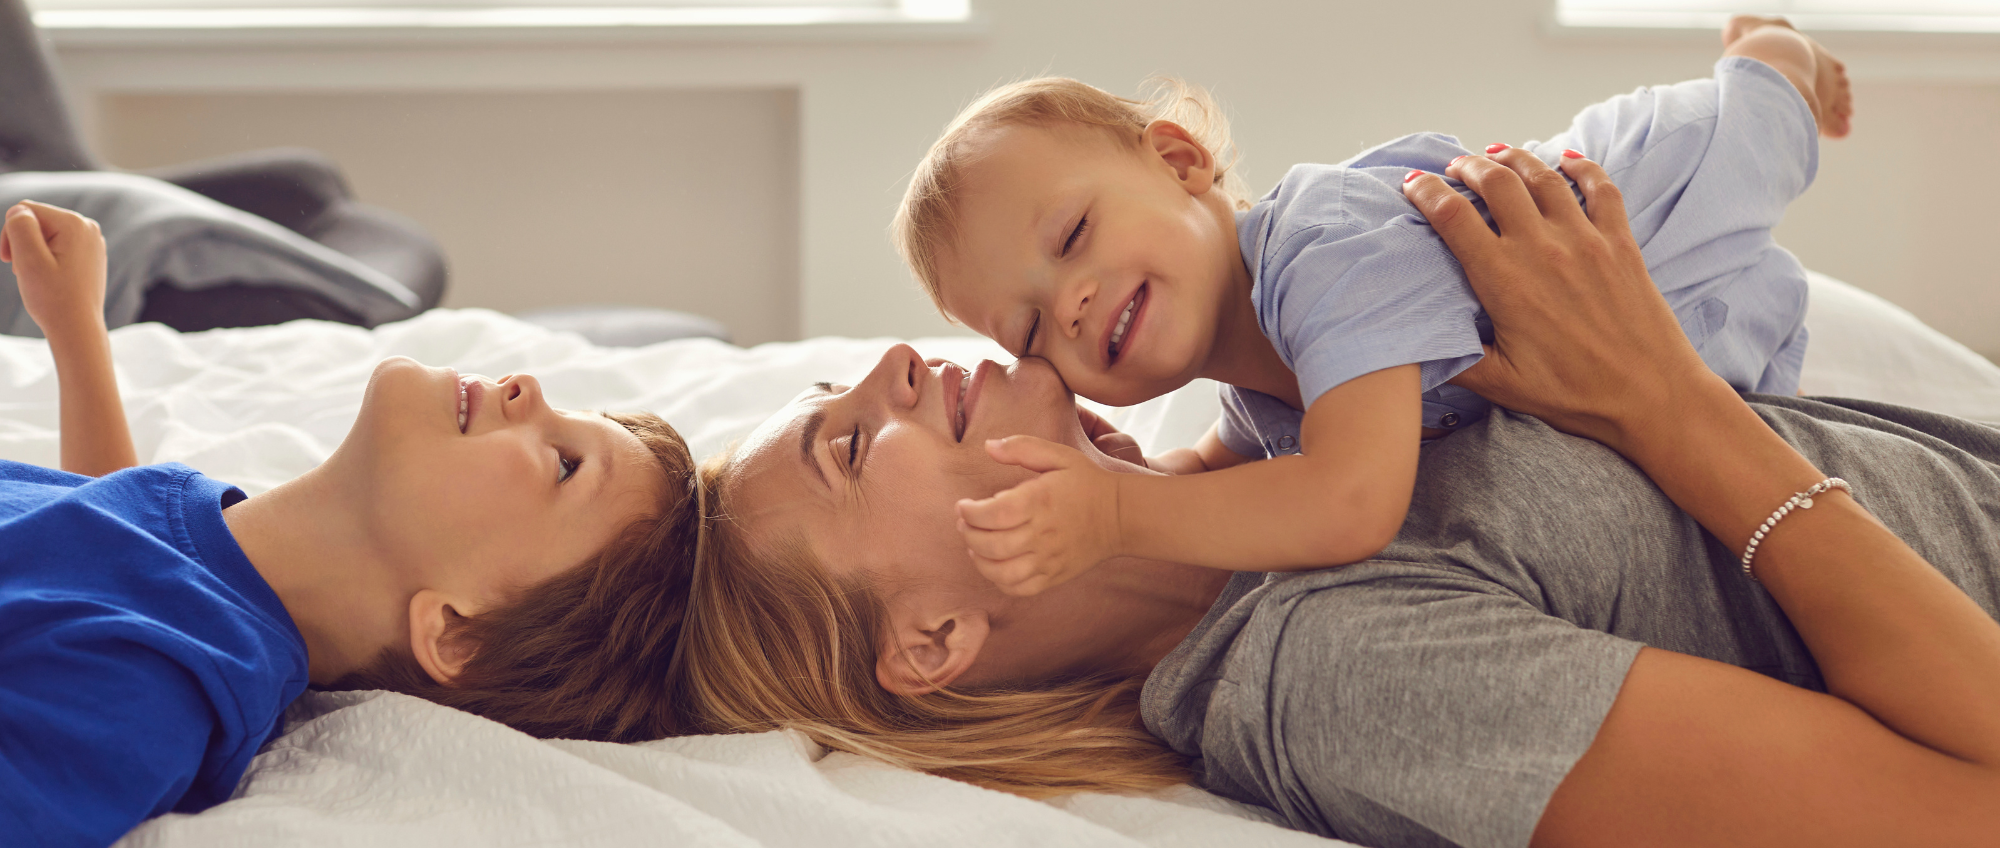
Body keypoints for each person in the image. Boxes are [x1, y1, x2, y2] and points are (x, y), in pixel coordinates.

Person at [668, 147, 2000, 846]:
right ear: (934, 640)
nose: (900, 359)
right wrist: (1663, 404)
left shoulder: (1257, 454)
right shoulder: (1337, 674)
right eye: (851, 446)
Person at [889, 15, 1855, 597]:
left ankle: (1773, 47)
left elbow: (1348, 501)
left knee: (1763, 125)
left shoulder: (1322, 248)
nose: (1071, 304)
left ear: (1180, 164)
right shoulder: (1261, 400)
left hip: (1650, 195)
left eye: (1070, 239)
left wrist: (1111, 515)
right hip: (1701, 332)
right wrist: (1086, 483)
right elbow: (1207, 480)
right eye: (1025, 329)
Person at [0, 200, 700, 848]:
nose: (530, 387)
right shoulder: (195, 560)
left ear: (456, 632)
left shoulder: (147, 698)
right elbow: (95, 539)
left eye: (565, 463)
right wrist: (76, 329)